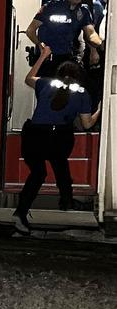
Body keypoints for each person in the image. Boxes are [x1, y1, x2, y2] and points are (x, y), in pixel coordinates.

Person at [12, 45, 100, 233]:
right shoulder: (82, 93)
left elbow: (28, 78)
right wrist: (100, 109)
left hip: (33, 135)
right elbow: (86, 124)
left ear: (58, 74)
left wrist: (43, 55)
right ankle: (66, 203)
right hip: (58, 137)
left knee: (37, 174)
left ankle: (20, 213)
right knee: (61, 169)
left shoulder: (45, 83)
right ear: (78, 77)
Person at [25, 0, 104, 77]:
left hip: (67, 59)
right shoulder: (50, 7)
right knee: (47, 87)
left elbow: (91, 34)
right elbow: (30, 31)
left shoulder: (83, 11)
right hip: (48, 58)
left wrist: (102, 45)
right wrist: (40, 46)